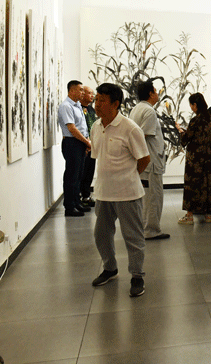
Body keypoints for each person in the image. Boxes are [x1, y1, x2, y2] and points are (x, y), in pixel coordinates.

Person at [90, 83, 151, 298]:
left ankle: (137, 276)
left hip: (128, 193)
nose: (97, 104)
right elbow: (99, 158)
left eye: (102, 100)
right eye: (96, 99)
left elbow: (144, 159)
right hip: (103, 193)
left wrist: (128, 177)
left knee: (133, 237)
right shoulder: (96, 126)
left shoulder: (130, 128)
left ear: (115, 104)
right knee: (101, 235)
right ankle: (110, 268)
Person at [130, 80, 170, 240]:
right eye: (155, 90)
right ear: (150, 94)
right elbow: (143, 135)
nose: (158, 93)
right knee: (153, 197)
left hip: (146, 162)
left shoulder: (137, 109)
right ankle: (151, 230)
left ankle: (145, 228)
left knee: (146, 198)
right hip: (151, 163)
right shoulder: (148, 111)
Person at [176, 93, 211, 224]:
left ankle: (189, 216)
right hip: (208, 155)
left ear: (195, 105)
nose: (191, 107)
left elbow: (185, 139)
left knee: (192, 185)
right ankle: (208, 215)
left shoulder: (195, 120)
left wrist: (180, 131)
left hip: (195, 158)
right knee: (207, 183)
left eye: (191, 105)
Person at [58, 80, 91, 217]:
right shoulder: (66, 106)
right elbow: (72, 128)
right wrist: (87, 142)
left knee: (78, 175)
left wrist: (86, 142)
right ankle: (69, 207)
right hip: (72, 143)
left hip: (80, 143)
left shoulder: (77, 105)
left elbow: (82, 127)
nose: (83, 92)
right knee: (72, 176)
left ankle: (77, 202)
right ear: (71, 91)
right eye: (80, 90)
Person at [79, 85, 97, 207]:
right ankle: (79, 197)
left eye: (92, 93)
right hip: (83, 145)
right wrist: (86, 143)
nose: (92, 95)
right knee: (82, 172)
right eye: (89, 93)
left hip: (92, 145)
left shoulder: (91, 109)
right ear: (83, 94)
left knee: (90, 171)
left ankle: (86, 195)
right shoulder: (77, 109)